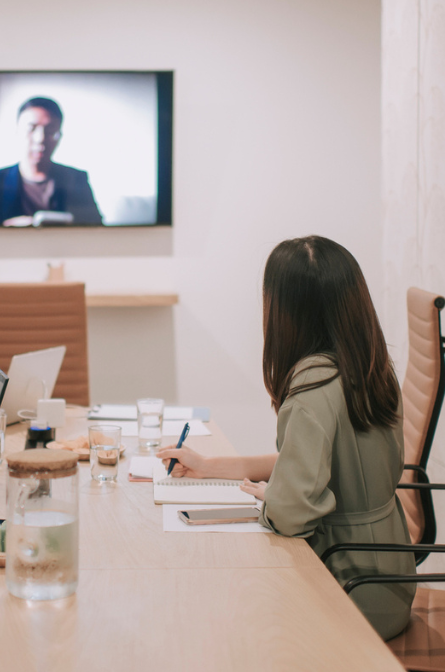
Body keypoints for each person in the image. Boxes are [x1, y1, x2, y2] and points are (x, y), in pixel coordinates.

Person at [157, 236, 416, 640]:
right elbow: (311, 462)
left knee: (211, 614)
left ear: (285, 311)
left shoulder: (313, 389)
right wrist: (209, 467)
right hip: (391, 577)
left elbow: (291, 514)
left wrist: (276, 499)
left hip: (347, 587)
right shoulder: (371, 369)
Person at [0, 96, 103, 226]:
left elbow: (97, 230)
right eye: (31, 129)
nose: (40, 139)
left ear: (59, 136)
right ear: (17, 131)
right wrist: (6, 229)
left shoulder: (76, 178)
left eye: (50, 130)